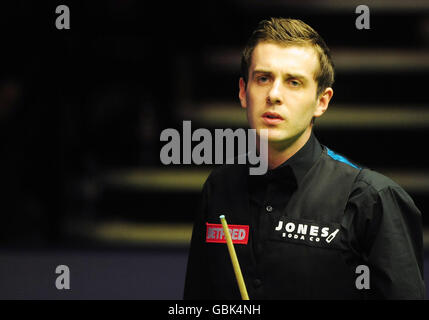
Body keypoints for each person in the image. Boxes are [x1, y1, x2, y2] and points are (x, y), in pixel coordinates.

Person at [183, 17, 425, 299]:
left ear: (321, 101)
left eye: (293, 82)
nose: (274, 94)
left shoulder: (372, 200)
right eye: (263, 78)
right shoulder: (219, 187)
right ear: (242, 91)